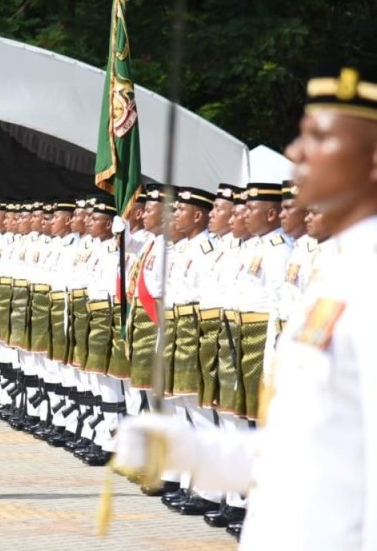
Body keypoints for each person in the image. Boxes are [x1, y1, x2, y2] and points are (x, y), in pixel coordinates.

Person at [115, 64, 377, 549]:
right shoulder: (339, 266)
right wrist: (192, 452)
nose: (296, 154)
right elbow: (303, 441)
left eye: (320, 140)